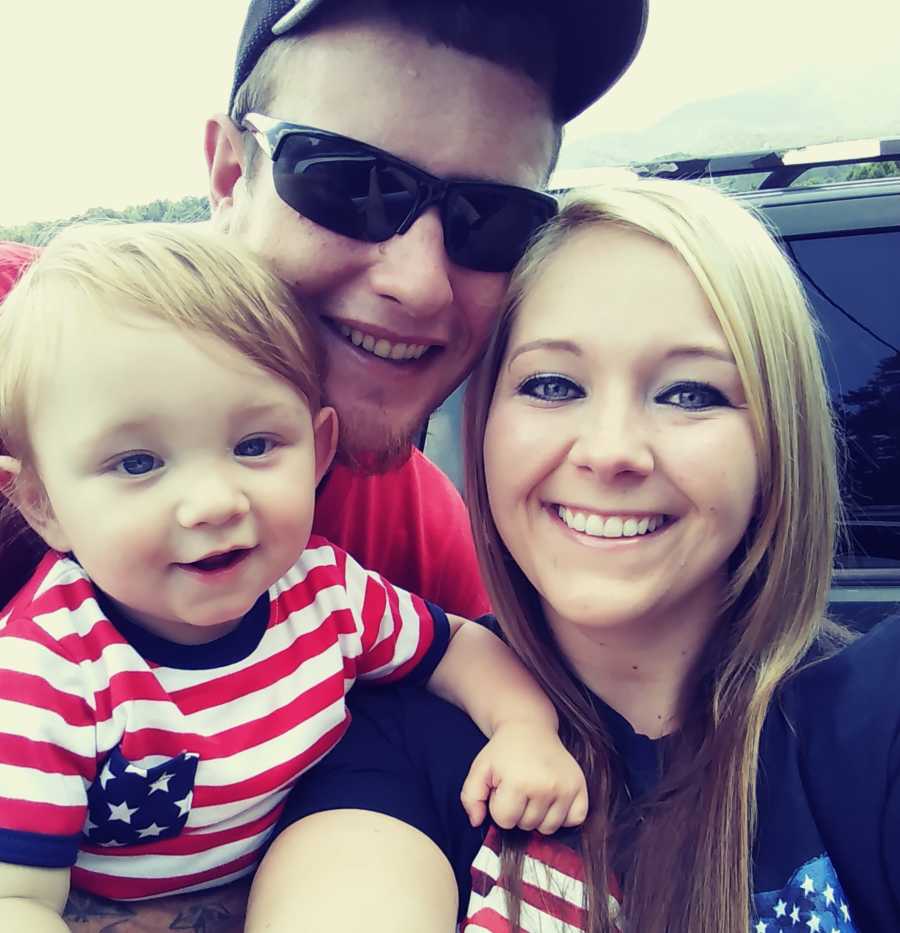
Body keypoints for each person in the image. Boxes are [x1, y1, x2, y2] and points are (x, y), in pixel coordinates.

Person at [0, 2, 648, 927]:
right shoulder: (39, 352)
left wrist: (524, 732)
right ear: (230, 171)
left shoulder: (400, 546)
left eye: (490, 219)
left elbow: (468, 666)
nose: (416, 280)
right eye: (350, 182)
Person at [265, 179, 900, 932]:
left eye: (692, 394)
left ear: (778, 442)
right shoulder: (388, 746)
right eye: (553, 383)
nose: (610, 452)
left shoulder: (870, 720)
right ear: (484, 427)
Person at [0, 223, 589, 931]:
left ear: (318, 452)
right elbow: (18, 900)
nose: (214, 501)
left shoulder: (325, 594)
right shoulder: (45, 676)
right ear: (41, 504)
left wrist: (523, 729)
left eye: (254, 445)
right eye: (137, 463)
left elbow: (457, 647)